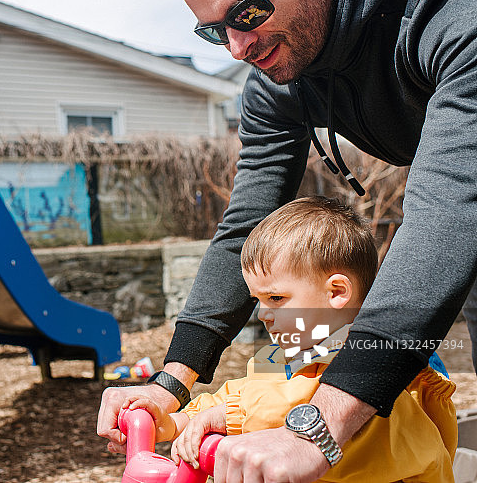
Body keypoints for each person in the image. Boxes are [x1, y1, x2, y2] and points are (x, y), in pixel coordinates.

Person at [97, 0, 477, 480]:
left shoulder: (454, 4)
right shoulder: (277, 80)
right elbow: (246, 225)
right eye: (213, 32)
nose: (237, 46)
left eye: (247, 13)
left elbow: (448, 210)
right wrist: (170, 383)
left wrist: (318, 427)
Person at [121, 197, 457, 482]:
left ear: (337, 292)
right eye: (258, 301)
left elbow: (303, 405)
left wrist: (229, 416)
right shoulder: (284, 354)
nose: (263, 314)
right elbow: (242, 394)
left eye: (277, 299)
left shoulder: (386, 368)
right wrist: (173, 422)